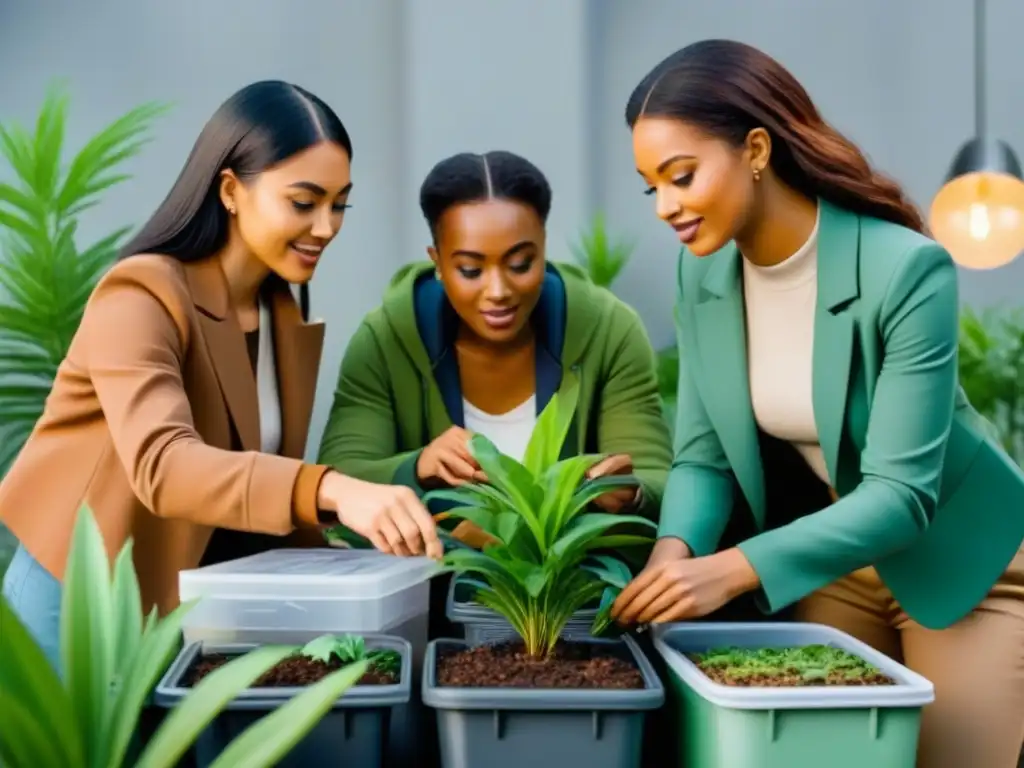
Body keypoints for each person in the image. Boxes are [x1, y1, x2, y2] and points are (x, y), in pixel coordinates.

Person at [610, 39, 1024, 768]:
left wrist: (730, 568)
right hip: (833, 560)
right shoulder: (704, 277)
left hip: (966, 565)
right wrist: (673, 556)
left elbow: (900, 495)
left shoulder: (905, 269)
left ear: (757, 150)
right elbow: (703, 458)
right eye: (653, 188)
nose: (666, 208)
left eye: (680, 177)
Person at [0, 80, 440, 671]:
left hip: (173, 612)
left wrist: (354, 547)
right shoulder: (141, 292)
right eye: (304, 202)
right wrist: (332, 487)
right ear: (231, 190)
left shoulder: (280, 311)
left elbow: (247, 489)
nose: (327, 226)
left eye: (340, 204)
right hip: (76, 604)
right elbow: (165, 464)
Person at [317, 150, 672, 550]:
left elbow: (659, 478)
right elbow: (338, 479)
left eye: (520, 263)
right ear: (437, 262)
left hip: (574, 602)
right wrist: (416, 467)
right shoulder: (386, 339)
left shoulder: (609, 331)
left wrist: (631, 490)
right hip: (426, 595)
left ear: (543, 247)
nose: (498, 291)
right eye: (470, 270)